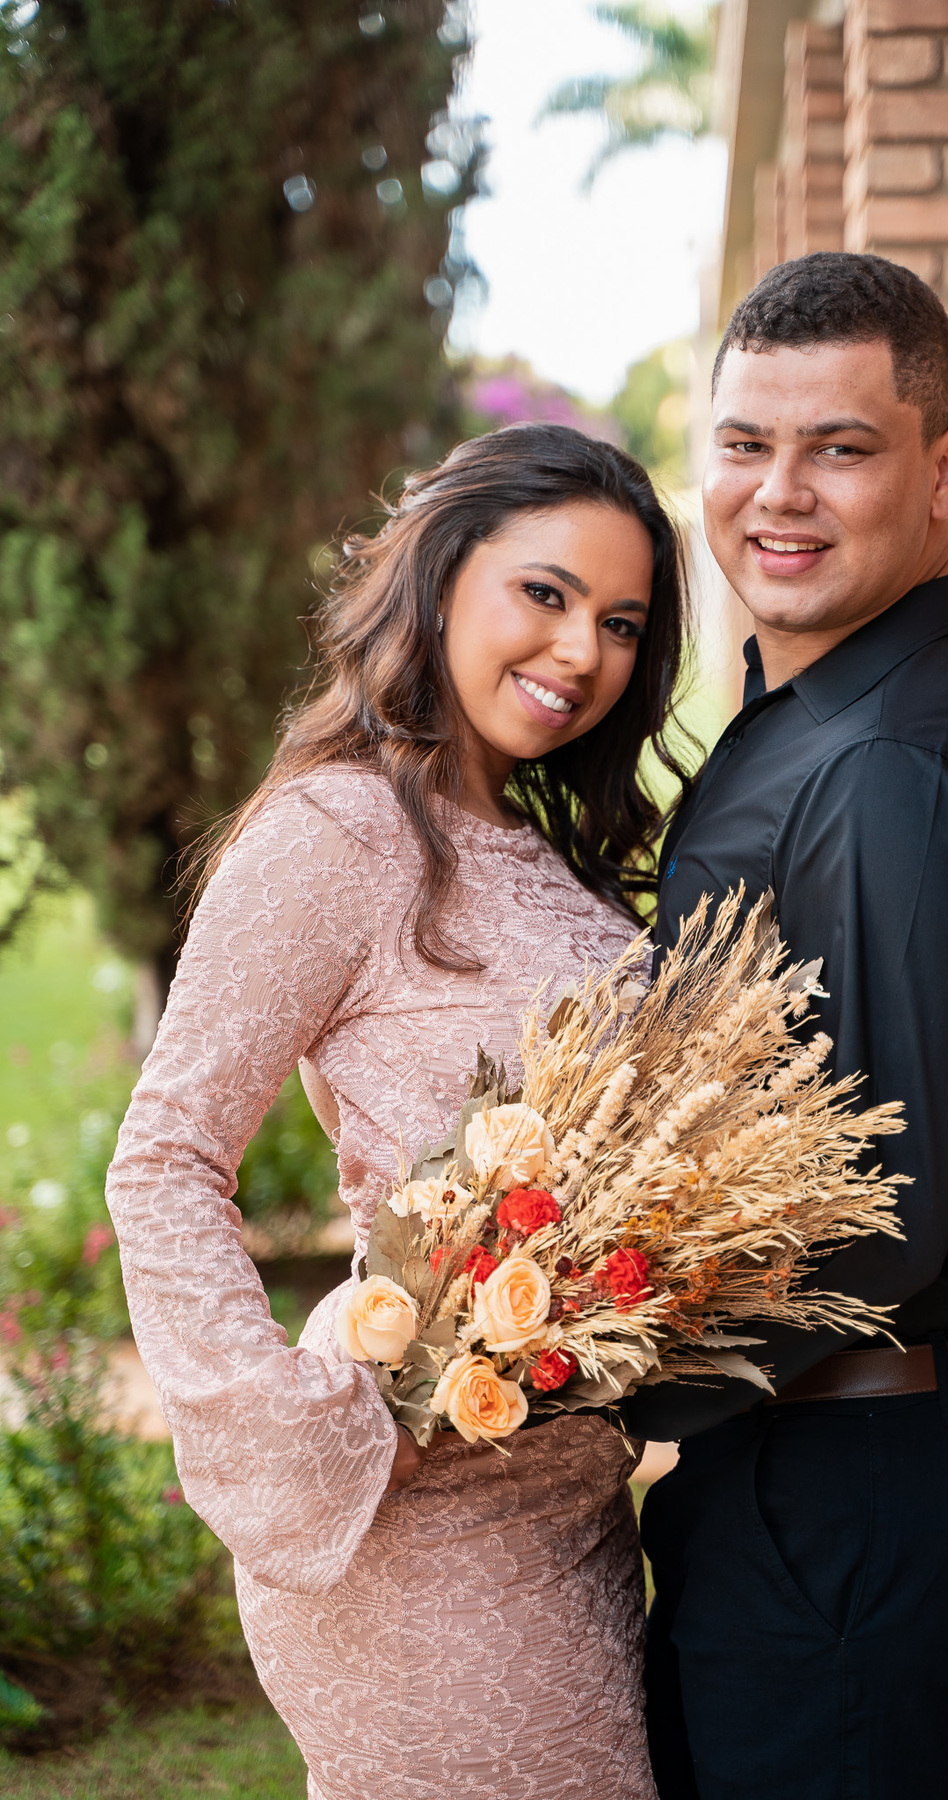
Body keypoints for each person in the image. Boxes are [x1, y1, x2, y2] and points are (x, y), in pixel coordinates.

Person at [104, 423, 694, 1800]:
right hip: (405, 1529)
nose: (579, 654)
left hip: (575, 1509)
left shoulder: (552, 857)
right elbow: (165, 1160)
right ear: (438, 578)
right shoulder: (337, 835)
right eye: (543, 595)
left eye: (618, 622)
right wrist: (295, 1425)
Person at [624, 253, 948, 1800]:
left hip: (861, 1494)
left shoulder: (886, 769)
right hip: (814, 1471)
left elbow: (879, 1222)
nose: (779, 494)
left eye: (842, 447)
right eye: (746, 444)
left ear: (944, 468)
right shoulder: (825, 711)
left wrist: (593, 1377)